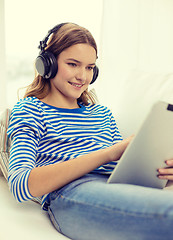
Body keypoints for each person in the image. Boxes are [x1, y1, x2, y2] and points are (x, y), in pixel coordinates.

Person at [7, 22, 173, 240]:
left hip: (117, 186)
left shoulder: (102, 113)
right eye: (73, 64)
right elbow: (20, 184)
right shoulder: (29, 109)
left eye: (89, 67)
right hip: (72, 192)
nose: (82, 77)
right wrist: (110, 152)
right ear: (47, 64)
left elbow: (122, 169)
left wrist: (163, 173)